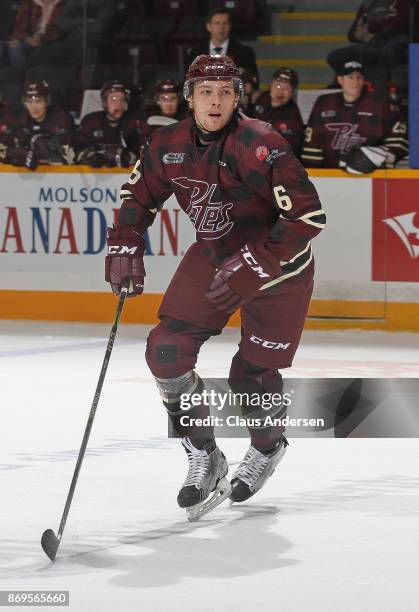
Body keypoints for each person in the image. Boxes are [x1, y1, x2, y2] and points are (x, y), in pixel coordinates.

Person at [105, 55, 325, 520]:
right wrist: (124, 242)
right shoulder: (167, 143)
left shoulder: (260, 143)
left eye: (225, 90)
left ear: (237, 96)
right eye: (205, 91)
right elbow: (137, 195)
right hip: (216, 258)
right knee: (165, 351)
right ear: (189, 98)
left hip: (279, 273)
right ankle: (204, 454)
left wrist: (258, 261)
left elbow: (307, 215)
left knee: (252, 377)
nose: (215, 100)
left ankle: (267, 448)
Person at [301, 60, 408, 172]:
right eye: (350, 77)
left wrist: (373, 158)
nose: (355, 82)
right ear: (340, 80)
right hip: (330, 175)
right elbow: (312, 143)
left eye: (359, 77)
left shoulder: (382, 103)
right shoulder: (324, 102)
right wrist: (312, 171)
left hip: (372, 175)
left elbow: (398, 143)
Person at [327, 0, 412, 86]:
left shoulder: (405, 2)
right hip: (369, 44)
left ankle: (388, 88)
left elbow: (401, 25)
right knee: (335, 56)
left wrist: (371, 29)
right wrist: (362, 35)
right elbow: (352, 34)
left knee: (390, 52)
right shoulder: (368, 4)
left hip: (395, 43)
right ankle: (345, 86)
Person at [3, 79, 77, 170]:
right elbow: (6, 147)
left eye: (38, 101)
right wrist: (15, 154)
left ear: (47, 101)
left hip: (61, 175)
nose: (34, 107)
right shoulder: (21, 120)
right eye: (29, 101)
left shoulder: (62, 118)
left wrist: (32, 156)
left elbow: (63, 156)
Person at [76, 80, 150, 168]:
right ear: (104, 102)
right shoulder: (91, 121)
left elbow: (145, 151)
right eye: (113, 99)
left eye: (122, 99)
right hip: (95, 177)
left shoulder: (134, 121)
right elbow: (78, 149)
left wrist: (129, 157)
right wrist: (90, 157)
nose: (118, 104)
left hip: (127, 176)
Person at [185, 9, 259, 89]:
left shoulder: (245, 52)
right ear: (209, 26)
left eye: (225, 23)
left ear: (230, 26)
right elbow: (187, 81)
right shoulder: (195, 53)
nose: (221, 27)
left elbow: (255, 82)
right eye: (217, 23)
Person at [253, 68, 304, 157]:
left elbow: (286, 152)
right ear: (270, 86)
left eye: (286, 88)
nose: (280, 92)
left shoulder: (292, 118)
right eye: (277, 85)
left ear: (292, 93)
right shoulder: (263, 99)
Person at [1, 0, 66, 70]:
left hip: (49, 41)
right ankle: (21, 77)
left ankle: (26, 77)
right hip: (27, 40)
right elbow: (17, 29)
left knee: (15, 49)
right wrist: (27, 39)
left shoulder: (63, 6)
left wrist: (42, 38)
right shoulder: (29, 3)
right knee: (12, 46)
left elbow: (60, 30)